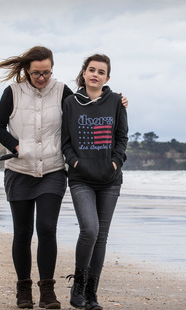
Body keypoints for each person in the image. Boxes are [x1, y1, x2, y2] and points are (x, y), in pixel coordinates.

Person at [0, 46, 127, 309]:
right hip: (19, 172)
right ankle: (23, 291)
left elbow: (90, 105)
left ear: (52, 68)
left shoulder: (62, 91)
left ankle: (47, 292)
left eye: (47, 72)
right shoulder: (13, 92)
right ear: (27, 71)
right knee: (22, 233)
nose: (42, 78)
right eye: (36, 74)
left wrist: (117, 100)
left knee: (46, 228)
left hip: (52, 171)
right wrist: (17, 147)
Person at [61, 54, 128, 310]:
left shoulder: (116, 102)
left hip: (110, 181)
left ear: (107, 78)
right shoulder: (70, 102)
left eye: (101, 72)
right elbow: (65, 141)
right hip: (81, 179)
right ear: (84, 72)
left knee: (101, 237)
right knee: (89, 229)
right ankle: (78, 284)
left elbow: (122, 138)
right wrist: (75, 163)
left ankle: (91, 295)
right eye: (92, 70)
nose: (95, 75)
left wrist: (114, 163)